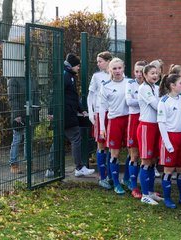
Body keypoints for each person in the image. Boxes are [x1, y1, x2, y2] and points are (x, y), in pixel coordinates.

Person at [46, 53, 95, 178]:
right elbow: (55, 94)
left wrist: (81, 109)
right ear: (72, 65)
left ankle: (51, 169)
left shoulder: (69, 75)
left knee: (57, 141)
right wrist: (51, 111)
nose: (79, 68)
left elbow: (73, 96)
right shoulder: (66, 76)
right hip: (65, 114)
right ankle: (79, 167)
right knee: (76, 138)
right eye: (77, 66)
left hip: (65, 113)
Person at [158, 73, 181, 209]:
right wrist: (168, 144)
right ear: (172, 85)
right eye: (180, 83)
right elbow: (161, 124)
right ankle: (168, 198)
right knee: (169, 170)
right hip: (170, 137)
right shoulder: (164, 101)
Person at [99, 57, 130, 195]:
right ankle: (116, 183)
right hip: (114, 122)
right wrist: (102, 127)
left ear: (123, 68)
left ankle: (128, 179)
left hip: (129, 120)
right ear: (110, 70)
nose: (117, 71)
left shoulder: (130, 83)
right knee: (114, 153)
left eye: (119, 68)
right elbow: (102, 108)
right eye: (114, 68)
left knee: (132, 152)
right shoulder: (106, 86)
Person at [137, 64, 163, 205]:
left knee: (153, 160)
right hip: (146, 127)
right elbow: (157, 105)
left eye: (157, 73)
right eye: (152, 73)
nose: (155, 75)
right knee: (146, 160)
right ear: (145, 75)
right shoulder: (143, 88)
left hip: (156, 126)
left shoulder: (156, 87)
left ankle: (151, 192)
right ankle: (144, 194)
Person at [87, 51, 113, 189]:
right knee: (101, 145)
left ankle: (111, 176)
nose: (98, 64)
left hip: (113, 114)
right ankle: (102, 177)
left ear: (108, 61)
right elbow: (90, 96)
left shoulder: (116, 75)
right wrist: (91, 113)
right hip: (99, 114)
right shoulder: (96, 76)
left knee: (112, 147)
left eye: (100, 61)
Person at [125, 60, 148, 199]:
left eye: (141, 71)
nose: (139, 74)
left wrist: (138, 99)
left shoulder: (150, 85)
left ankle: (146, 186)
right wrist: (145, 100)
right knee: (134, 155)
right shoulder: (130, 83)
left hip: (146, 119)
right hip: (133, 120)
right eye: (137, 71)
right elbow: (129, 101)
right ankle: (134, 186)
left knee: (146, 156)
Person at [7, 76, 40, 174]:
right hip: (19, 114)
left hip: (31, 113)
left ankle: (29, 162)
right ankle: (13, 163)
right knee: (17, 139)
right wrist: (17, 114)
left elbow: (36, 95)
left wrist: (36, 109)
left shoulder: (32, 79)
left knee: (29, 139)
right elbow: (12, 98)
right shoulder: (13, 80)